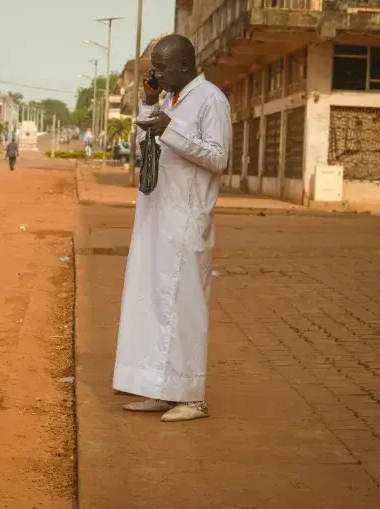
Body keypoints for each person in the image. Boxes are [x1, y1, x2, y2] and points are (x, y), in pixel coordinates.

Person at [112, 34, 232, 422]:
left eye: (161, 68)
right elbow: (144, 141)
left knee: (184, 307)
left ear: (184, 65)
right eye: (154, 68)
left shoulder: (210, 99)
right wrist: (149, 105)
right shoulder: (167, 99)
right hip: (156, 215)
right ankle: (159, 389)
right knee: (153, 302)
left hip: (185, 219)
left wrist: (171, 130)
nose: (156, 74)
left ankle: (191, 397)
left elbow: (218, 157)